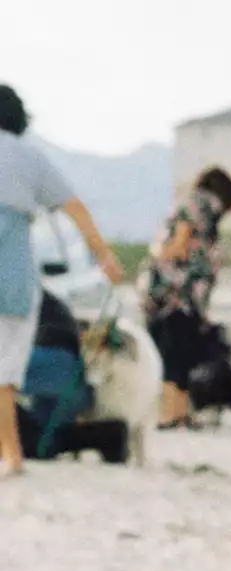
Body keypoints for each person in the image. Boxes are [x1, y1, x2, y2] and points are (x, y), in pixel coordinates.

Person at [0, 84, 123, 477]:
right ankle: (14, 455)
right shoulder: (31, 158)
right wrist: (103, 255)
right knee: (6, 373)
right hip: (17, 273)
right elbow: (75, 207)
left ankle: (14, 455)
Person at [141, 165, 231, 430]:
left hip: (175, 294)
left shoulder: (194, 204)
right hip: (193, 295)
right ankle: (181, 412)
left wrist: (158, 251)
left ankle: (171, 413)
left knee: (171, 353)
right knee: (184, 353)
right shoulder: (209, 209)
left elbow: (178, 247)